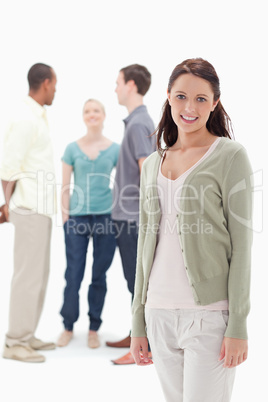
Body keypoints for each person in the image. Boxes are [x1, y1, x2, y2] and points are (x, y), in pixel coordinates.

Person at [130, 58, 253, 401]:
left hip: (210, 317)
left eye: (201, 99)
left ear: (214, 103)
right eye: (181, 96)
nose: (189, 107)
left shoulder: (230, 156)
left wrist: (238, 324)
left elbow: (242, 246)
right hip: (158, 312)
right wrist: (138, 320)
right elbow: (145, 244)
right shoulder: (153, 162)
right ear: (168, 96)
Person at [0, 63, 57, 363]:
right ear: (45, 83)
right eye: (55, 85)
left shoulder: (37, 115)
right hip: (28, 207)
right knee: (27, 277)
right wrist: (7, 205)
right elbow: (8, 166)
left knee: (39, 275)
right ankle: (15, 342)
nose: (56, 91)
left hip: (41, 208)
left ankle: (27, 334)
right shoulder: (25, 117)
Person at [57, 99, 120, 349]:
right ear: (83, 117)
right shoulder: (72, 148)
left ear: (104, 116)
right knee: (74, 274)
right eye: (87, 111)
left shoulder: (115, 149)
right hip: (77, 218)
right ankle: (68, 326)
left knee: (99, 275)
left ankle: (94, 328)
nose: (91, 114)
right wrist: (65, 217)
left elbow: (126, 179)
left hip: (106, 217)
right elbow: (64, 186)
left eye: (96, 110)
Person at [105, 64, 155, 364]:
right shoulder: (136, 121)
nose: (115, 88)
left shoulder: (138, 124)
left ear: (132, 85)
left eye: (118, 82)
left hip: (133, 219)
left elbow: (147, 175)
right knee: (132, 282)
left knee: (138, 283)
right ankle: (137, 333)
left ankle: (144, 346)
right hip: (126, 217)